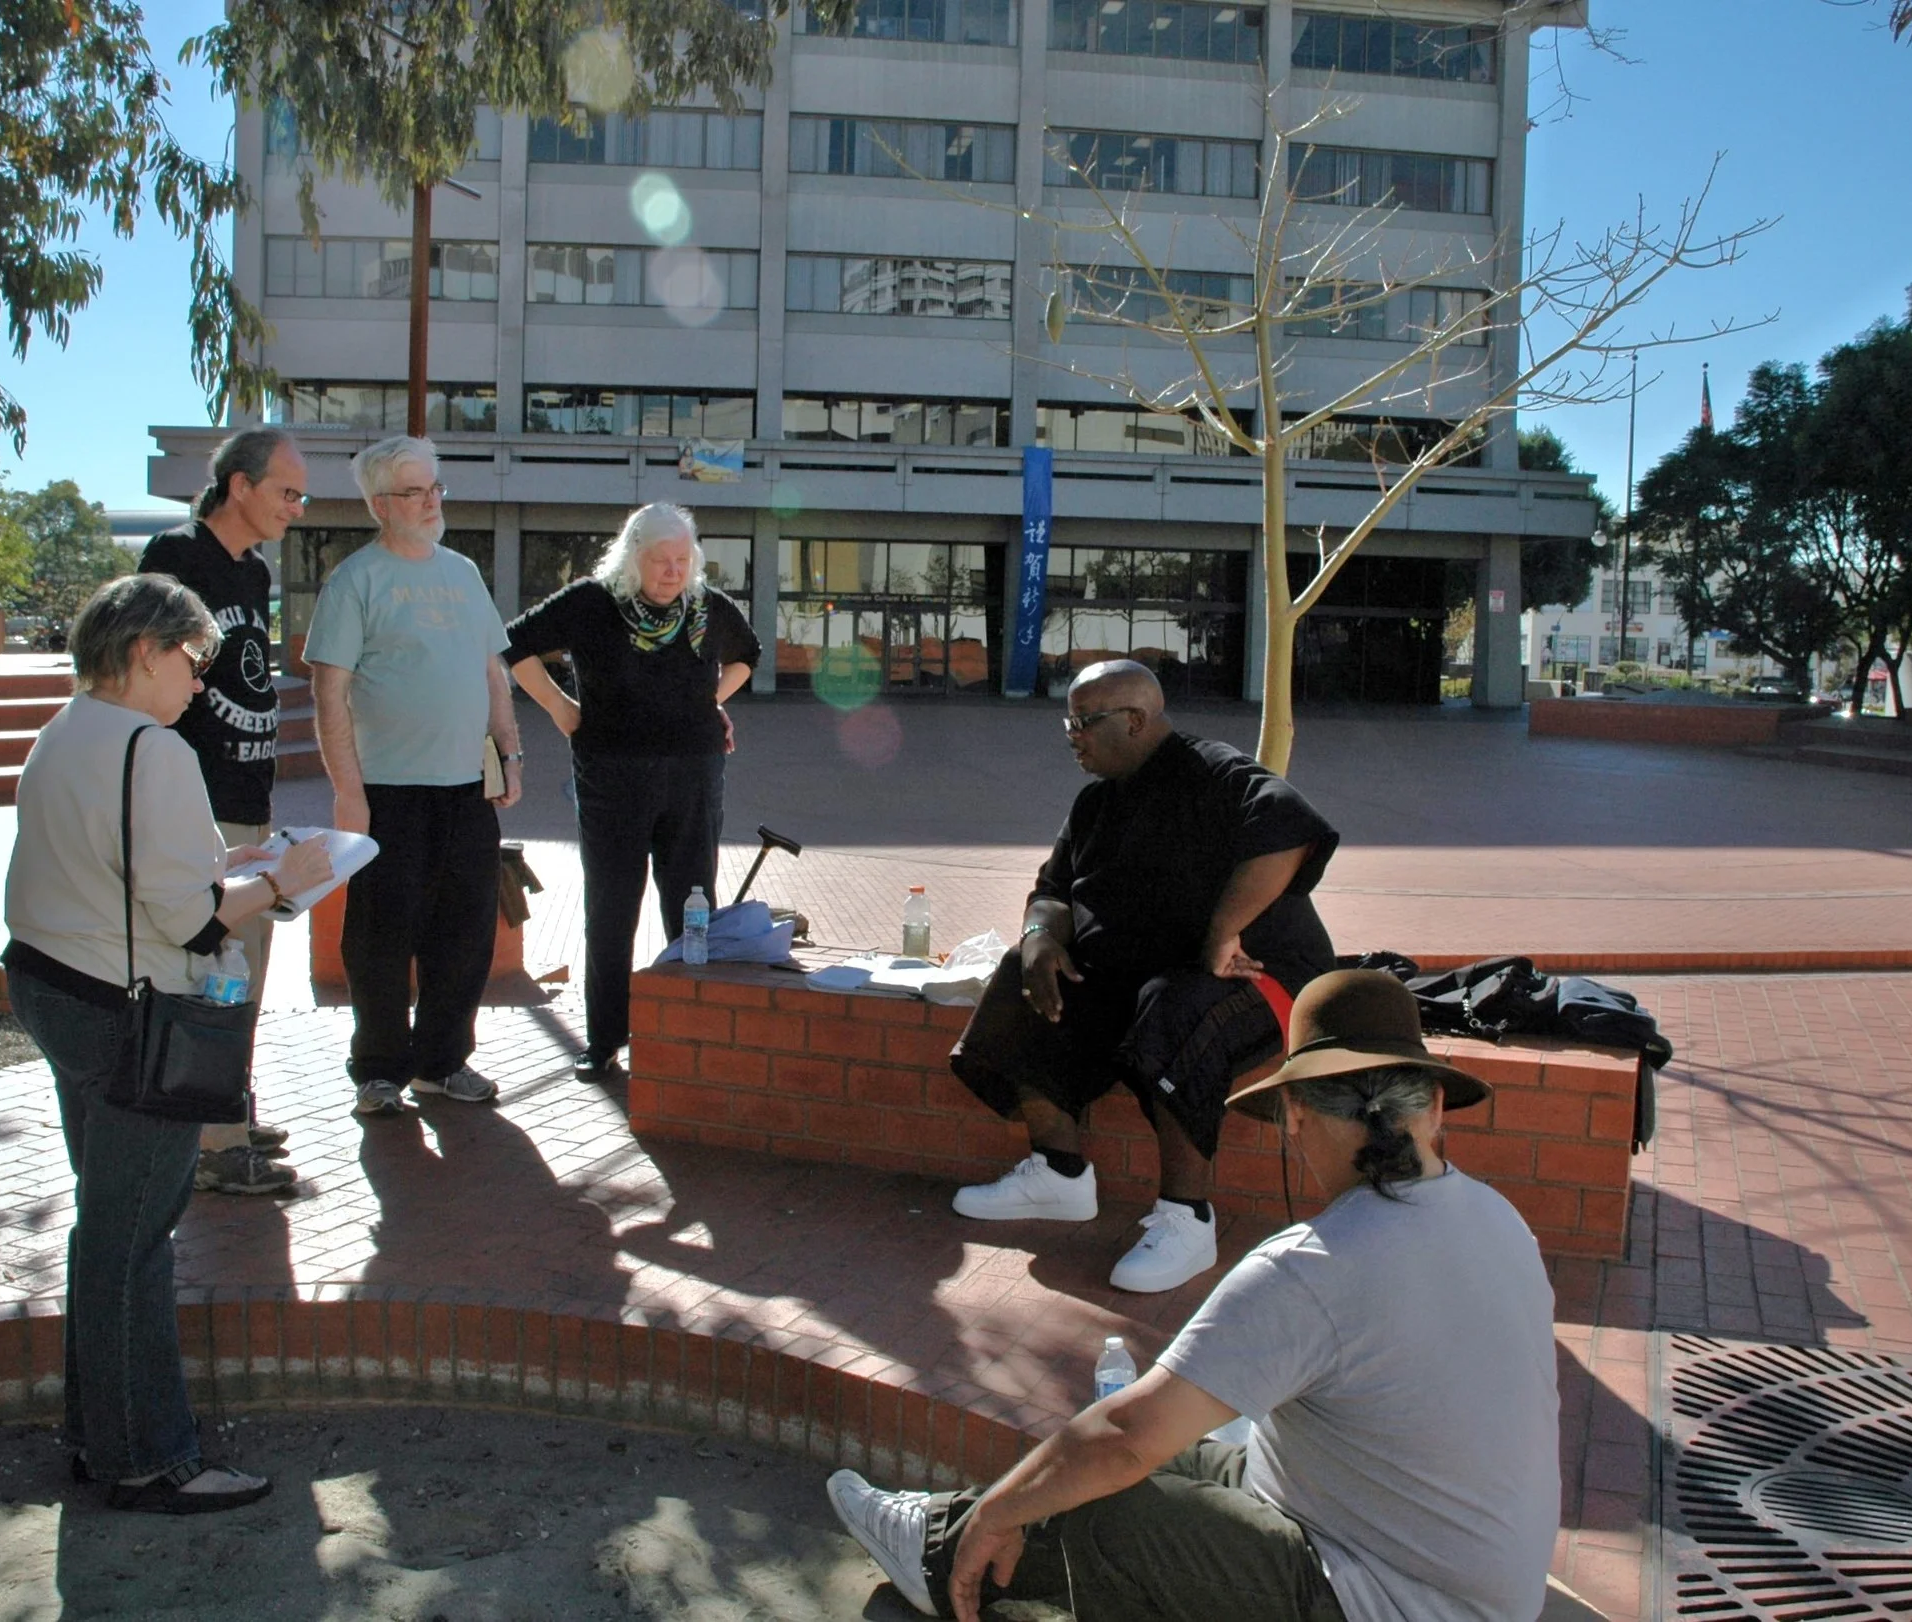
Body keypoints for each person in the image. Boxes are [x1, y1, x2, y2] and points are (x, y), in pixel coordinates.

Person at [826, 969, 1561, 1622]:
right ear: (1433, 1105)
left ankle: (949, 1551)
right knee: (1153, 1455)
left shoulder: (1314, 1268)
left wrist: (999, 1512)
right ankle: (945, 1536)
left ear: (1296, 1113)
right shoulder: (1503, 1221)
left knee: (1110, 1506)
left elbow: (1122, 1441)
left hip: (1376, 1594)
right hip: (1475, 1583)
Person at [3, 573, 333, 1513]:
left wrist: (228, 866)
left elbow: (115, 864)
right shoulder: (154, 751)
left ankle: (100, 1434)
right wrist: (286, 879)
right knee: (135, 1239)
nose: (200, 683)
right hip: (128, 1013)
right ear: (145, 652)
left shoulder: (67, 728)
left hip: (53, 985)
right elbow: (192, 925)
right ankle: (148, 1457)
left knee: (105, 1224)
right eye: (193, 661)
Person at [945, 658, 1340, 1293]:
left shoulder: (1214, 773)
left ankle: (1188, 1219)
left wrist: (1222, 930)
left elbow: (1292, 831)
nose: (1072, 735)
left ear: (1135, 720)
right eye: (1066, 721)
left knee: (1174, 1005)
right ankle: (1059, 1173)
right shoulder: (1096, 802)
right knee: (1026, 971)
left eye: (1083, 721)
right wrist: (1042, 935)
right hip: (1141, 974)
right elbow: (1052, 890)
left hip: (1257, 979)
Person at [307, 435, 525, 1116]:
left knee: (464, 933)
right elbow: (328, 691)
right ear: (379, 504)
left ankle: (443, 1062)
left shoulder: (462, 571)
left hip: (465, 789)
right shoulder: (355, 581)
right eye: (414, 491)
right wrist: (349, 793)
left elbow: (493, 671)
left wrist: (510, 751)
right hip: (386, 793)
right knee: (379, 935)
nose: (431, 502)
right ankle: (378, 1070)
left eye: (436, 488)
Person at [507, 502, 759, 1082]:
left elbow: (747, 654)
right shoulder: (592, 603)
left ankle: (691, 1028)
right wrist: (561, 709)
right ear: (632, 557)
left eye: (682, 560)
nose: (673, 572)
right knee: (612, 908)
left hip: (694, 775)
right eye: (659, 560)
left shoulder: (705, 607)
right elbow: (513, 644)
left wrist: (711, 702)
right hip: (612, 777)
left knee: (692, 905)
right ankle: (605, 1039)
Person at [137, 425, 308, 1197]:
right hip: (199, 802)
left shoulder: (254, 569)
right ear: (239, 485)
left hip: (249, 798)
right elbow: (147, 669)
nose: (296, 508)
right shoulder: (177, 557)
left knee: (243, 970)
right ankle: (212, 1145)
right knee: (215, 974)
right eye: (287, 491)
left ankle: (228, 1109)